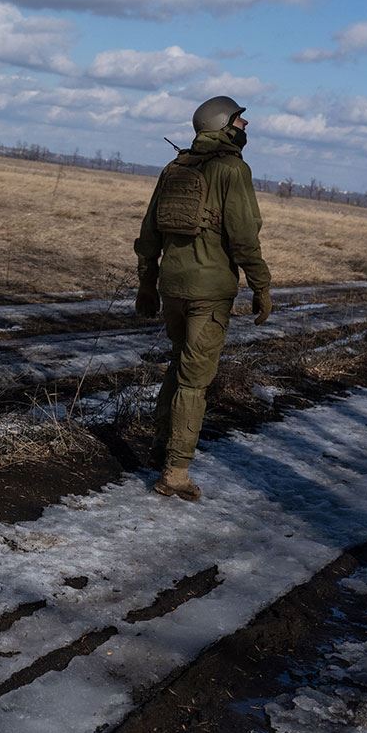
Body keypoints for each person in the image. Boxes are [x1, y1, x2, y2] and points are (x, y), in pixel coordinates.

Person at [133, 95, 272, 501]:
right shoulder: (232, 170)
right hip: (209, 293)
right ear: (223, 125)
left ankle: (161, 445)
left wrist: (147, 283)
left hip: (172, 287)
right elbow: (244, 238)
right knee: (195, 381)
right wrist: (261, 286)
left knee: (179, 365)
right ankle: (175, 472)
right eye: (241, 120)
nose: (246, 127)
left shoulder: (174, 168)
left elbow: (148, 235)